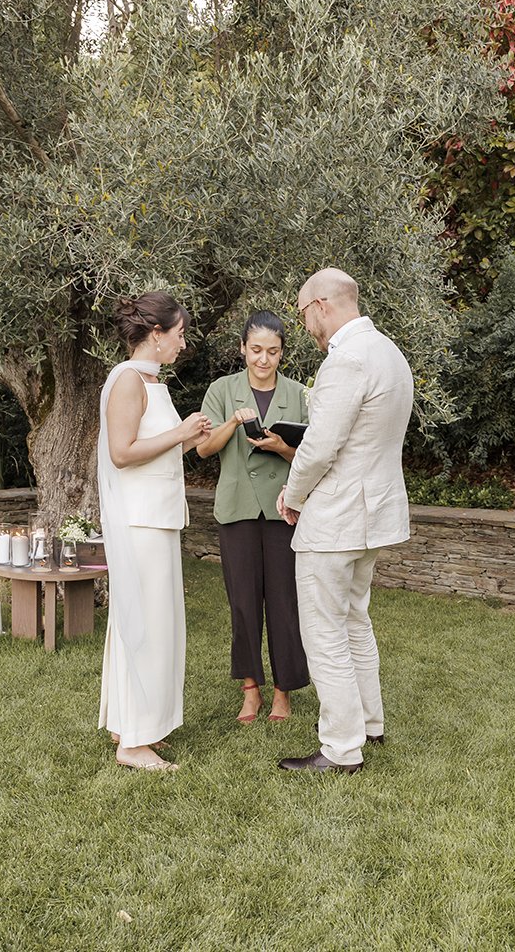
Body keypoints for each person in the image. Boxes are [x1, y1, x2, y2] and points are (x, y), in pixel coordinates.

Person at [276, 268, 413, 774]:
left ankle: (340, 748)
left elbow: (320, 446)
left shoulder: (346, 360)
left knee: (325, 629)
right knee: (355, 617)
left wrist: (293, 493)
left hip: (337, 518)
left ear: (322, 305)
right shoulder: (389, 353)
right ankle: (369, 722)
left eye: (302, 312)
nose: (305, 324)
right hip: (372, 513)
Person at [97, 291, 213, 772]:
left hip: (159, 517)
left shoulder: (151, 382)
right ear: (157, 334)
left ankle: (133, 725)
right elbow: (122, 453)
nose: (184, 344)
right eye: (180, 334)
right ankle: (134, 742)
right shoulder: (127, 381)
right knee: (146, 626)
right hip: (141, 522)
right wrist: (181, 434)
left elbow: (154, 453)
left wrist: (189, 439)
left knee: (153, 625)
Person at [195, 311, 311, 725]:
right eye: (257, 350)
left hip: (284, 511)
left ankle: (283, 692)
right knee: (243, 603)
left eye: (273, 352)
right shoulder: (221, 390)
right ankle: (250, 691)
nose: (264, 359)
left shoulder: (299, 394)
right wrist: (232, 421)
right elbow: (204, 449)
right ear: (243, 348)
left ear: (283, 354)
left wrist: (281, 447)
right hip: (237, 510)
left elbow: (312, 456)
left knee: (284, 603)